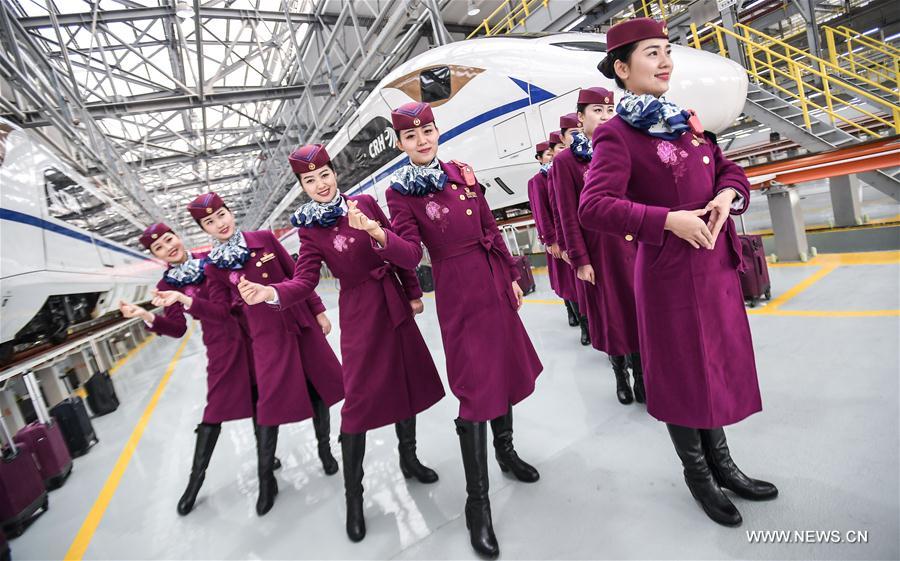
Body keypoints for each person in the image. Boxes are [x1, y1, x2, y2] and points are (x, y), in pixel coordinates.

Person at [580, 17, 778, 526]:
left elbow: (727, 167)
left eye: (667, 50)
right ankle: (700, 477)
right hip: (668, 275)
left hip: (713, 268)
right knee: (684, 375)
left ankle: (725, 466)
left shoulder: (687, 122)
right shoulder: (617, 136)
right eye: (651, 53)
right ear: (622, 70)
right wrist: (666, 219)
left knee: (715, 366)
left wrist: (727, 194)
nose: (665, 60)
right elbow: (594, 206)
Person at [237, 144, 446, 542]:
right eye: (309, 180)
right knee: (359, 405)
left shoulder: (365, 202)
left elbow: (397, 248)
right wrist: (270, 294)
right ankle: (355, 496)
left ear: (335, 173)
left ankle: (409, 459)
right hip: (360, 314)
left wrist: (413, 290)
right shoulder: (310, 230)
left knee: (407, 383)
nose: (319, 184)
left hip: (395, 305)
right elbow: (305, 280)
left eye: (324, 175)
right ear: (301, 186)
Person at [369, 101, 542, 558]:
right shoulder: (400, 193)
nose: (422, 140)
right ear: (401, 143)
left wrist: (509, 274)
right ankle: (477, 503)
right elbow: (409, 254)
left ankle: (505, 452)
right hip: (458, 294)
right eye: (411, 135)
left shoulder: (461, 172)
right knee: (475, 390)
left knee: (504, 372)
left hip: (492, 284)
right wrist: (381, 236)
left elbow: (491, 226)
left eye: (427, 130)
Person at [157, 192, 345, 516]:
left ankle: (325, 451)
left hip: (299, 323)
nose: (219, 224)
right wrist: (188, 301)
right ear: (204, 229)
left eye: (221, 216)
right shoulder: (215, 267)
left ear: (231, 212)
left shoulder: (264, 239)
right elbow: (218, 311)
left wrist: (318, 312)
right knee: (269, 406)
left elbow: (297, 275)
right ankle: (265, 480)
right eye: (210, 222)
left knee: (317, 391)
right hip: (266, 336)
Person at [120, 223, 270, 516]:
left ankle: (267, 473)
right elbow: (177, 329)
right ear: (155, 255)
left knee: (259, 400)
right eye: (159, 248)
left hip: (251, 334)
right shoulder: (167, 285)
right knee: (213, 413)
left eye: (168, 239)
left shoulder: (213, 257)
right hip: (220, 345)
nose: (168, 247)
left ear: (177, 235)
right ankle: (195, 482)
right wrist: (147, 315)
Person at [550, 87, 644, 405]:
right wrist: (580, 259)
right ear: (580, 118)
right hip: (600, 253)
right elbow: (566, 213)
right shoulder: (566, 162)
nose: (604, 118)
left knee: (640, 313)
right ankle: (621, 375)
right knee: (614, 316)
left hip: (633, 246)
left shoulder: (623, 149)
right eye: (596, 112)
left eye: (608, 112)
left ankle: (644, 379)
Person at [527, 141, 580, 327]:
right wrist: (551, 240)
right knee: (567, 282)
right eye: (547, 154)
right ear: (540, 159)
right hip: (557, 237)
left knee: (576, 280)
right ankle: (573, 313)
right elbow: (540, 212)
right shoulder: (536, 181)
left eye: (553, 152)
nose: (551, 156)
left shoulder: (565, 170)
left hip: (572, 235)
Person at [547, 130, 588, 344]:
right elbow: (554, 209)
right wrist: (554, 240)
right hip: (571, 236)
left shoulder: (590, 157)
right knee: (572, 286)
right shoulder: (550, 173)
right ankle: (583, 322)